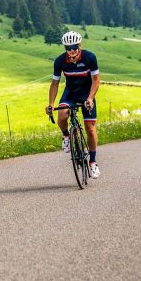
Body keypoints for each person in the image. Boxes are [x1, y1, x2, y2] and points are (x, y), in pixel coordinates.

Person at [46, 31, 101, 179]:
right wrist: (51, 103)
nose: (72, 51)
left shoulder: (90, 57)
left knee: (90, 129)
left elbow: (96, 80)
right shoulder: (60, 61)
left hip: (86, 95)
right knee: (62, 114)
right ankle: (66, 136)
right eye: (68, 48)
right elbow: (55, 83)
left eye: (74, 47)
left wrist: (90, 98)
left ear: (80, 45)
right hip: (70, 93)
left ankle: (93, 162)